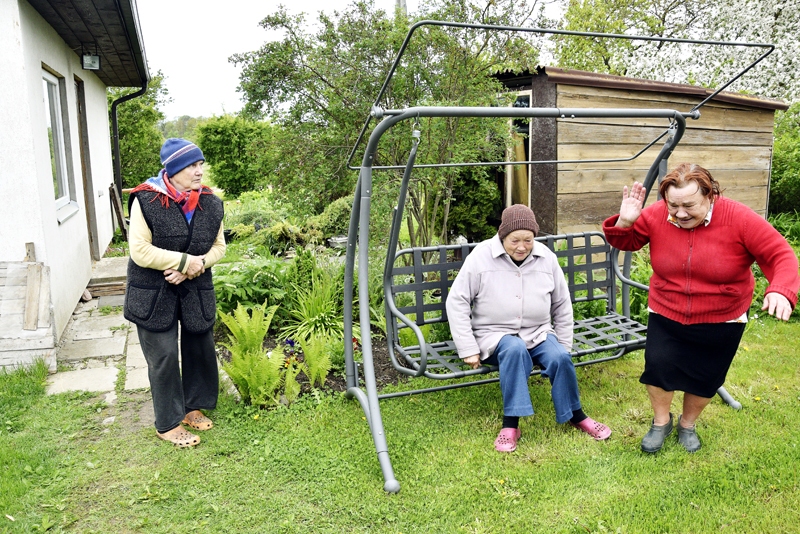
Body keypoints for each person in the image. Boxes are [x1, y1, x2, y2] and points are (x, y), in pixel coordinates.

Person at [603, 163, 799, 453]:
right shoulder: (657, 214)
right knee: (658, 368)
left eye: (689, 206)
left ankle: (688, 424)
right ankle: (661, 422)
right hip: (667, 309)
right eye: (673, 205)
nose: (680, 213)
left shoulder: (740, 218)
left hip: (723, 316)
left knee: (705, 376)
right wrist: (625, 222)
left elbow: (780, 254)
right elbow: (627, 242)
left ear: (710, 195)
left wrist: (781, 289)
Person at [446, 204, 612, 453]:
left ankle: (576, 415)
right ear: (502, 236)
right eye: (515, 240)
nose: (522, 247)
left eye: (528, 240)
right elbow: (456, 301)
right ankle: (510, 425)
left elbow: (562, 304)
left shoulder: (546, 257)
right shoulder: (480, 257)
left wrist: (563, 345)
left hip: (537, 333)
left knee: (559, 357)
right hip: (493, 335)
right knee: (514, 349)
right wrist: (468, 348)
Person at [124, 138, 226, 448]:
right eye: (192, 165)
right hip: (153, 293)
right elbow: (139, 250)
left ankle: (192, 407)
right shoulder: (146, 199)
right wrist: (183, 261)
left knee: (199, 347)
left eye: (200, 164)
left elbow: (219, 247)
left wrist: (195, 266)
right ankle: (167, 423)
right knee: (164, 355)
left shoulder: (210, 202)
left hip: (195, 288)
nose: (199, 171)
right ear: (174, 170)